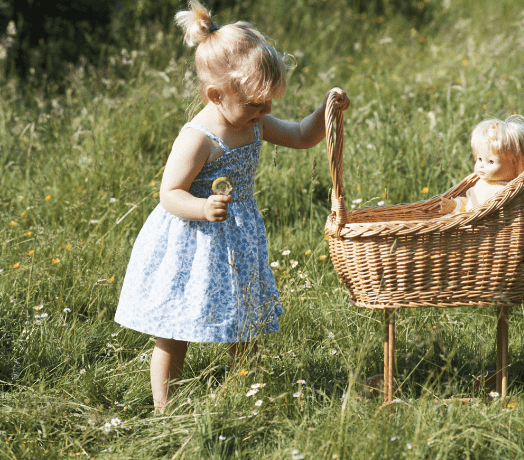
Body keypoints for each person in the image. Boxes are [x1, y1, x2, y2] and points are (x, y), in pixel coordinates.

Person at [114, 0, 349, 413]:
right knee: (174, 331)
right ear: (216, 95)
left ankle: (248, 397)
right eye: (257, 104)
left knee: (245, 325)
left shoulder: (253, 120)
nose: (266, 112)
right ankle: (164, 408)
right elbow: (170, 193)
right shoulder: (199, 137)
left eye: (268, 103)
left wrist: (327, 108)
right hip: (191, 242)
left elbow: (299, 135)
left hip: (236, 240)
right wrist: (202, 208)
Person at [436, 115, 524, 215]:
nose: (481, 165)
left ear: (516, 164)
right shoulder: (482, 183)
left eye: (491, 162)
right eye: (480, 159)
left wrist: (456, 211)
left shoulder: (505, 193)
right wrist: (455, 205)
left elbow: (478, 216)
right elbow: (470, 204)